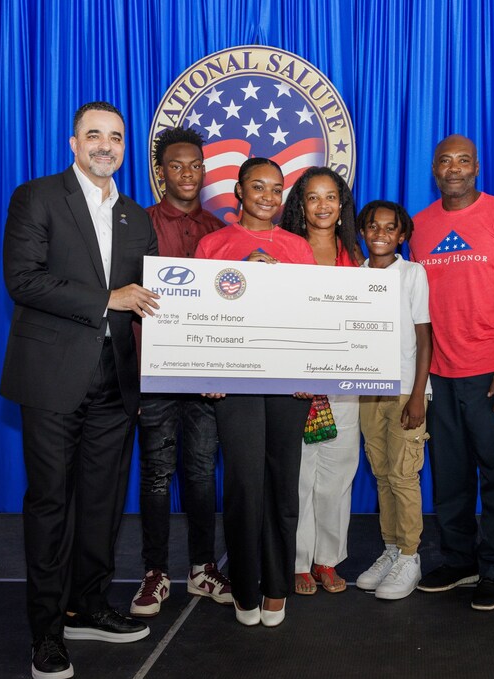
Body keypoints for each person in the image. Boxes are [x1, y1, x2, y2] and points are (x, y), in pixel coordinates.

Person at [0, 101, 158, 679]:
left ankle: (87, 606)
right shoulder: (37, 197)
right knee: (50, 505)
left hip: (116, 384)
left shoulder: (135, 217)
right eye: (94, 135)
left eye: (115, 137)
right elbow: (23, 279)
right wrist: (105, 300)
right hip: (51, 379)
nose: (105, 146)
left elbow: (153, 299)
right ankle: (46, 633)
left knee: (102, 503)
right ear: (73, 143)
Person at [410, 134, 494, 611]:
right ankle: (459, 558)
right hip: (440, 373)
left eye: (464, 160)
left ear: (477, 167)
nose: (455, 168)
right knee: (451, 476)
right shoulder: (420, 226)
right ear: (434, 169)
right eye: (445, 161)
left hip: (493, 372)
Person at [194, 157, 316, 627]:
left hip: (288, 385)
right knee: (244, 485)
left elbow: (310, 318)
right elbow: (199, 318)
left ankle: (276, 587)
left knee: (283, 486)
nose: (268, 196)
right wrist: (209, 375)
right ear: (239, 192)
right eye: (258, 187)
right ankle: (245, 587)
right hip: (235, 383)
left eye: (276, 188)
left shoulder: (298, 247)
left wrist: (311, 373)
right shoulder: (214, 244)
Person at [130, 127, 231, 618]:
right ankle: (154, 572)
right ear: (160, 172)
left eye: (195, 165)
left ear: (204, 170)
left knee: (199, 473)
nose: (187, 174)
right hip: (156, 375)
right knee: (155, 473)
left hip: (208, 380)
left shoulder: (220, 231)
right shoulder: (138, 225)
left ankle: (201, 567)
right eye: (176, 165)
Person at [279, 167, 363, 596]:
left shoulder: (355, 252)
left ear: (342, 204)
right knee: (299, 474)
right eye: (313, 197)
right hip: (295, 383)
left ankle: (326, 559)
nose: (323, 205)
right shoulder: (285, 249)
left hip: (345, 384)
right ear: (300, 204)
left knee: (338, 472)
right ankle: (296, 561)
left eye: (331, 197)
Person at [355, 201, 432, 600]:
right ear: (361, 232)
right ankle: (390, 548)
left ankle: (410, 555)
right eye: (372, 226)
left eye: (390, 227)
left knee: (404, 475)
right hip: (369, 389)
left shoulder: (412, 273)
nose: (380, 233)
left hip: (406, 389)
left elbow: (424, 336)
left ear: (402, 235)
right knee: (382, 472)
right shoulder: (354, 277)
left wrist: (418, 394)